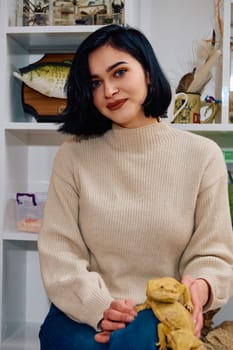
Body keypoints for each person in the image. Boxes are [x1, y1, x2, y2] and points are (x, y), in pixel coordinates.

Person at [38, 24, 233, 350]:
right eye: (96, 82)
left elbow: (213, 255)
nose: (109, 91)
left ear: (148, 74)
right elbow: (60, 252)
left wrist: (199, 287)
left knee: (136, 342)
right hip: (85, 306)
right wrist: (100, 308)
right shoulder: (73, 154)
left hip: (160, 309)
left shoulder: (203, 156)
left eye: (119, 72)